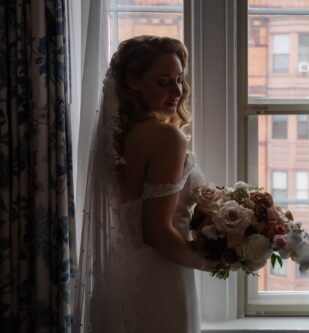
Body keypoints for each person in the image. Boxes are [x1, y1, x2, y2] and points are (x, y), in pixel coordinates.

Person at [73, 35, 216, 332]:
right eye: (163, 82)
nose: (177, 91)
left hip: (120, 274)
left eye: (179, 79)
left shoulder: (119, 135)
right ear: (133, 82)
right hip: (160, 277)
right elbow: (155, 231)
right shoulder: (166, 137)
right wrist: (211, 263)